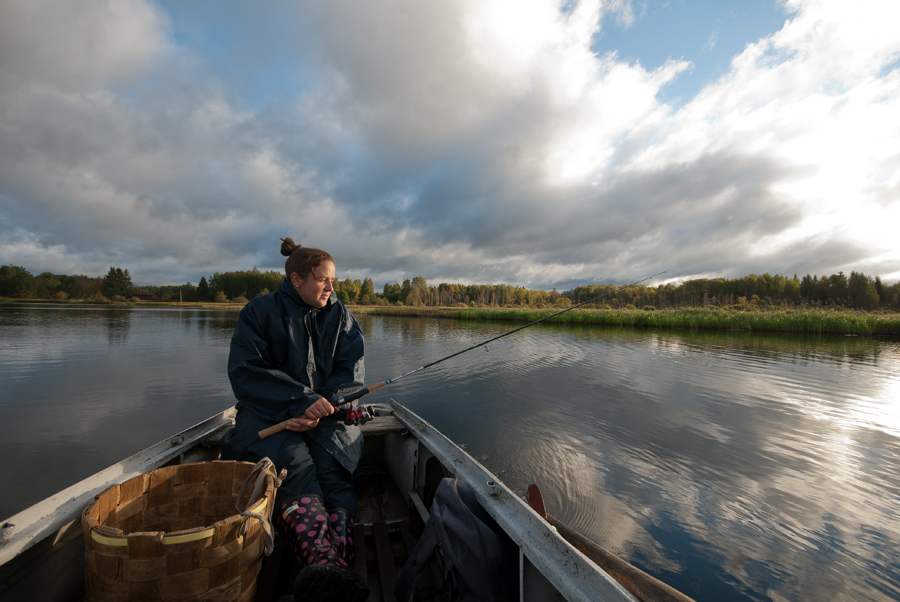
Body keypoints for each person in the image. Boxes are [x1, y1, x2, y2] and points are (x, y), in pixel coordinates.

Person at [220, 237, 369, 602]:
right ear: (296, 279)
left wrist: (324, 405)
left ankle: (332, 572)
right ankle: (325, 564)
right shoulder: (258, 312)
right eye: (324, 280)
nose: (332, 288)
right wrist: (298, 402)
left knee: (333, 470)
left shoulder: (340, 315)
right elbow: (246, 373)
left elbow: (351, 373)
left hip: (327, 415)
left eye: (333, 280)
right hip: (267, 413)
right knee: (296, 468)